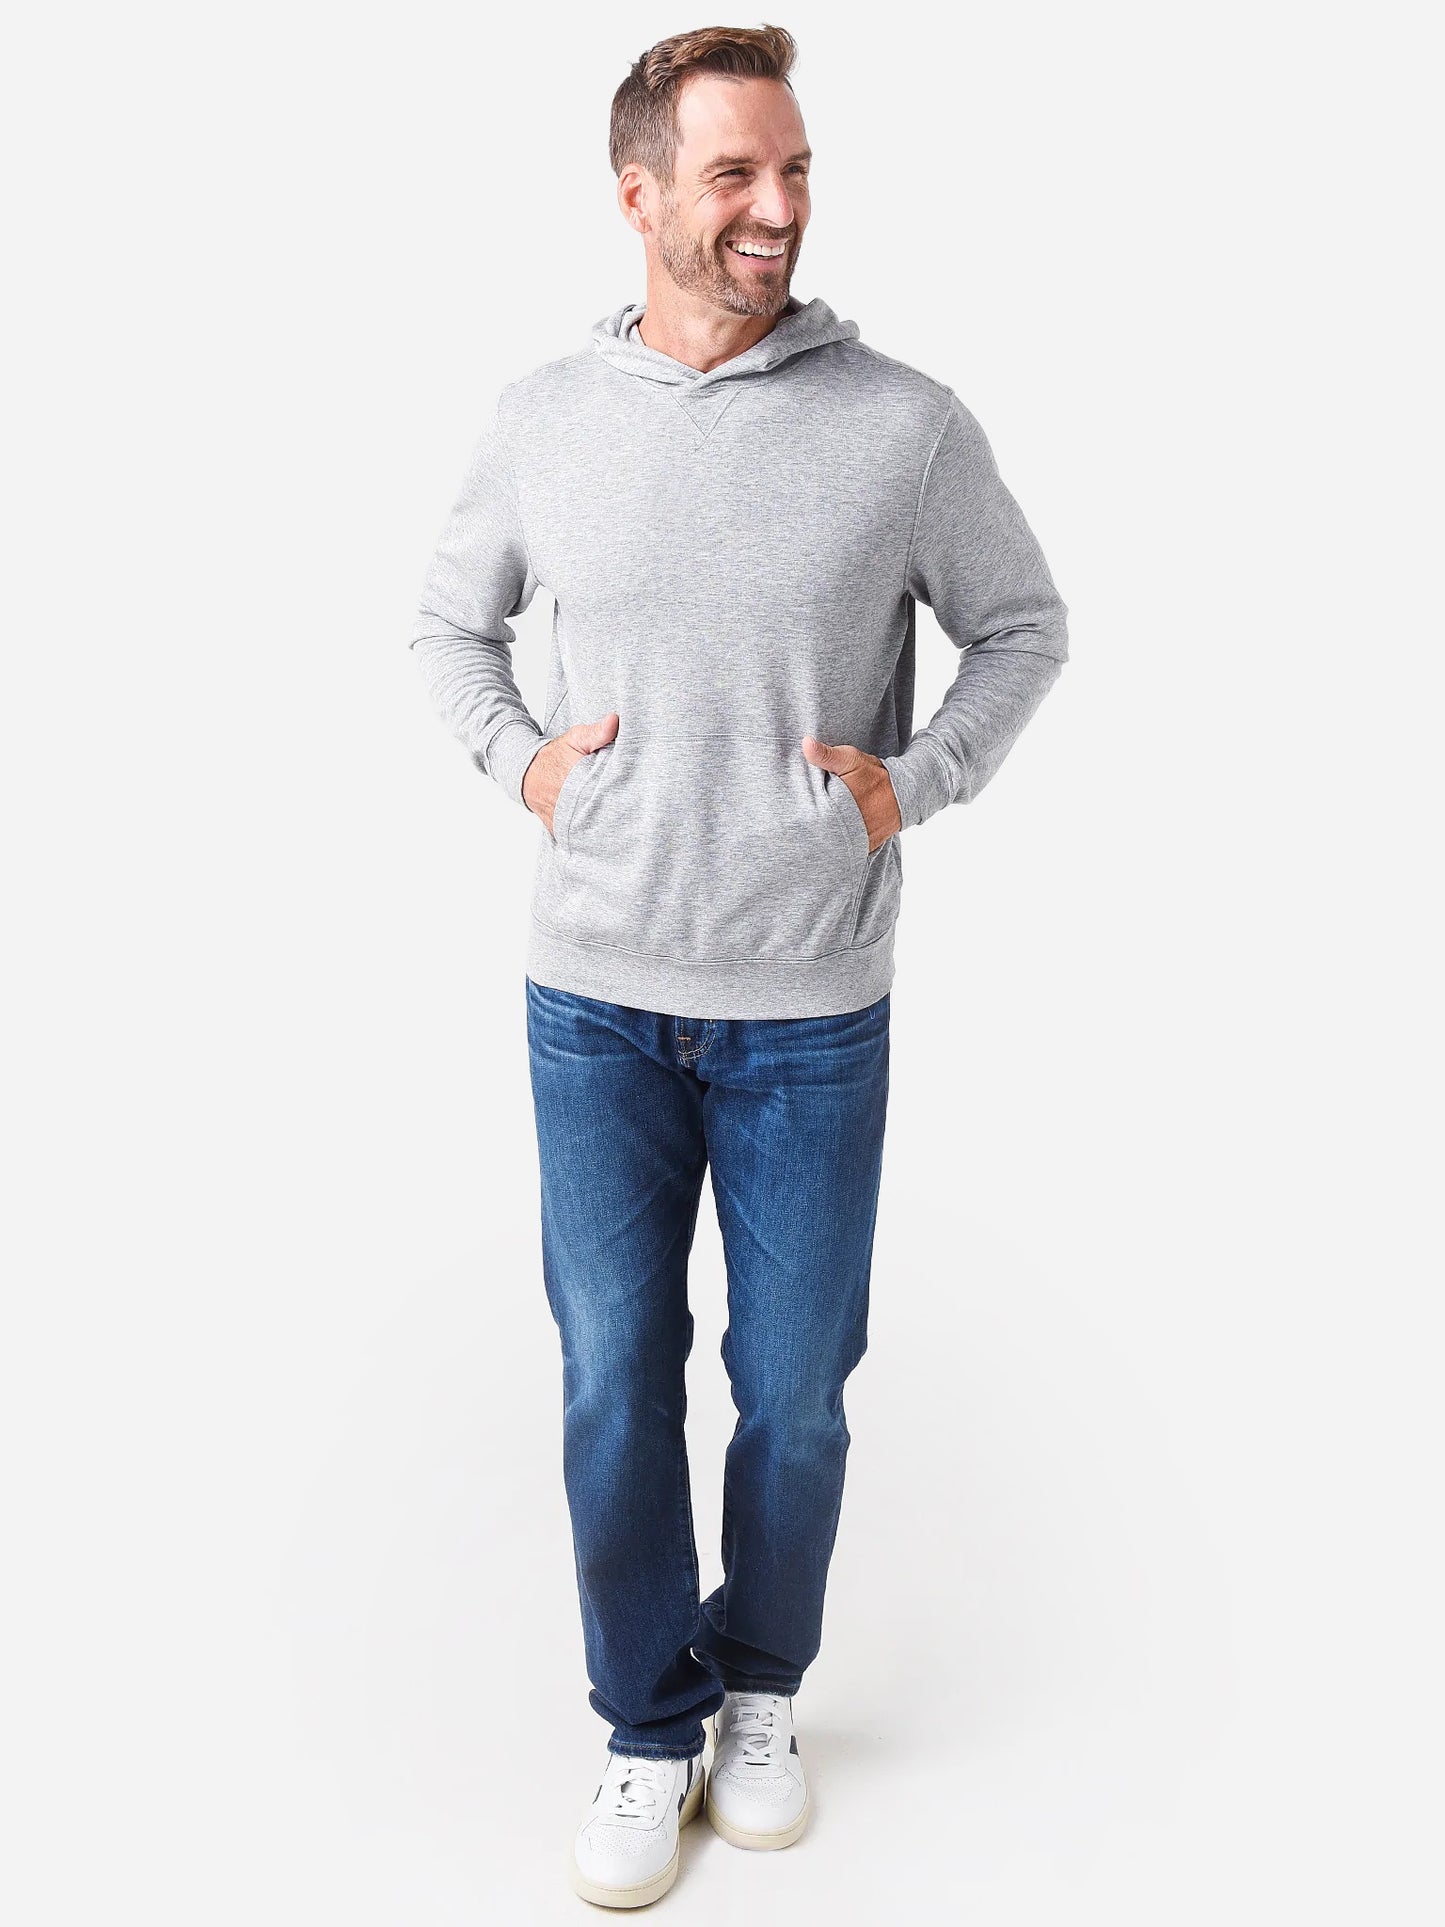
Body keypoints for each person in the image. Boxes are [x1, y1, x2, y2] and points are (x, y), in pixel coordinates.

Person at [408, 22, 1068, 1909]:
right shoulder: (543, 416)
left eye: (794, 172)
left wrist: (911, 784)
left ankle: (759, 1685)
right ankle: (648, 1722)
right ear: (638, 196)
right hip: (593, 998)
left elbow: (1023, 628)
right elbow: (446, 629)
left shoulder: (901, 425)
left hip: (809, 1007)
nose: (775, 208)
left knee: (793, 1387)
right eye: (734, 175)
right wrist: (522, 763)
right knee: (614, 1377)